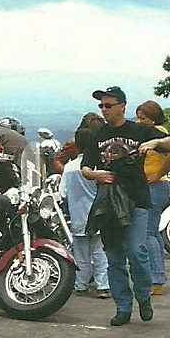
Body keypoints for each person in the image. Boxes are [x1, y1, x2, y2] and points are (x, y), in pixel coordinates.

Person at [81, 86, 170, 327]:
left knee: (136, 252)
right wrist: (96, 175)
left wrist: (156, 141)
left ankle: (143, 296)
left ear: (122, 106)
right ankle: (123, 307)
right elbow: (86, 167)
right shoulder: (97, 135)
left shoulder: (139, 130)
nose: (104, 110)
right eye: (101, 106)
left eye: (109, 105)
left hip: (136, 199)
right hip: (109, 202)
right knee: (114, 258)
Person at [59, 113, 110, 299]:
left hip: (78, 218)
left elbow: (63, 193)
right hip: (99, 217)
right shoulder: (98, 167)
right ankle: (103, 286)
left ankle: (80, 285)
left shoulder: (69, 167)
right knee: (100, 253)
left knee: (80, 254)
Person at [135, 101, 170, 296]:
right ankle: (158, 275)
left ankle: (156, 278)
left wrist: (157, 175)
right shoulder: (156, 133)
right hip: (156, 186)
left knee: (147, 233)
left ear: (153, 119)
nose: (139, 122)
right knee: (153, 232)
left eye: (143, 118)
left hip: (154, 186)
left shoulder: (157, 135)